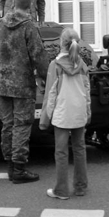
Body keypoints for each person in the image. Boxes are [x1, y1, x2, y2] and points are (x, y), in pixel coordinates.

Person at [0, 0, 49, 184]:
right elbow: (38, 56)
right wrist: (47, 77)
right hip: (22, 84)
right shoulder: (28, 27)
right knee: (22, 125)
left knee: (7, 124)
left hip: (1, 83)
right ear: (31, 5)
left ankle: (10, 164)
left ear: (13, 4)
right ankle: (18, 168)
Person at [40, 28, 91, 200]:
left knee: (61, 152)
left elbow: (50, 94)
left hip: (62, 113)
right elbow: (87, 91)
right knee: (80, 149)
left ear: (61, 44)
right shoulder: (82, 64)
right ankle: (81, 187)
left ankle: (61, 190)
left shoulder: (55, 66)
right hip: (78, 112)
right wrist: (87, 111)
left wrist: (45, 119)